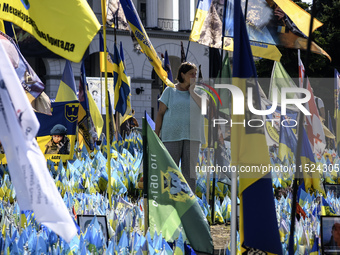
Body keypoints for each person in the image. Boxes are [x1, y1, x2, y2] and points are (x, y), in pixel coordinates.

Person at [155, 62, 206, 192]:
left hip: (193, 137)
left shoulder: (199, 91)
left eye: (196, 74)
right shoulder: (170, 90)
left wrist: (192, 91)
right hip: (171, 136)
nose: (194, 76)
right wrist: (156, 134)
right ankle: (169, 200)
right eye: (191, 74)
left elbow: (205, 109)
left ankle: (189, 203)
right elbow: (160, 113)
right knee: (170, 170)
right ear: (182, 74)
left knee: (190, 174)